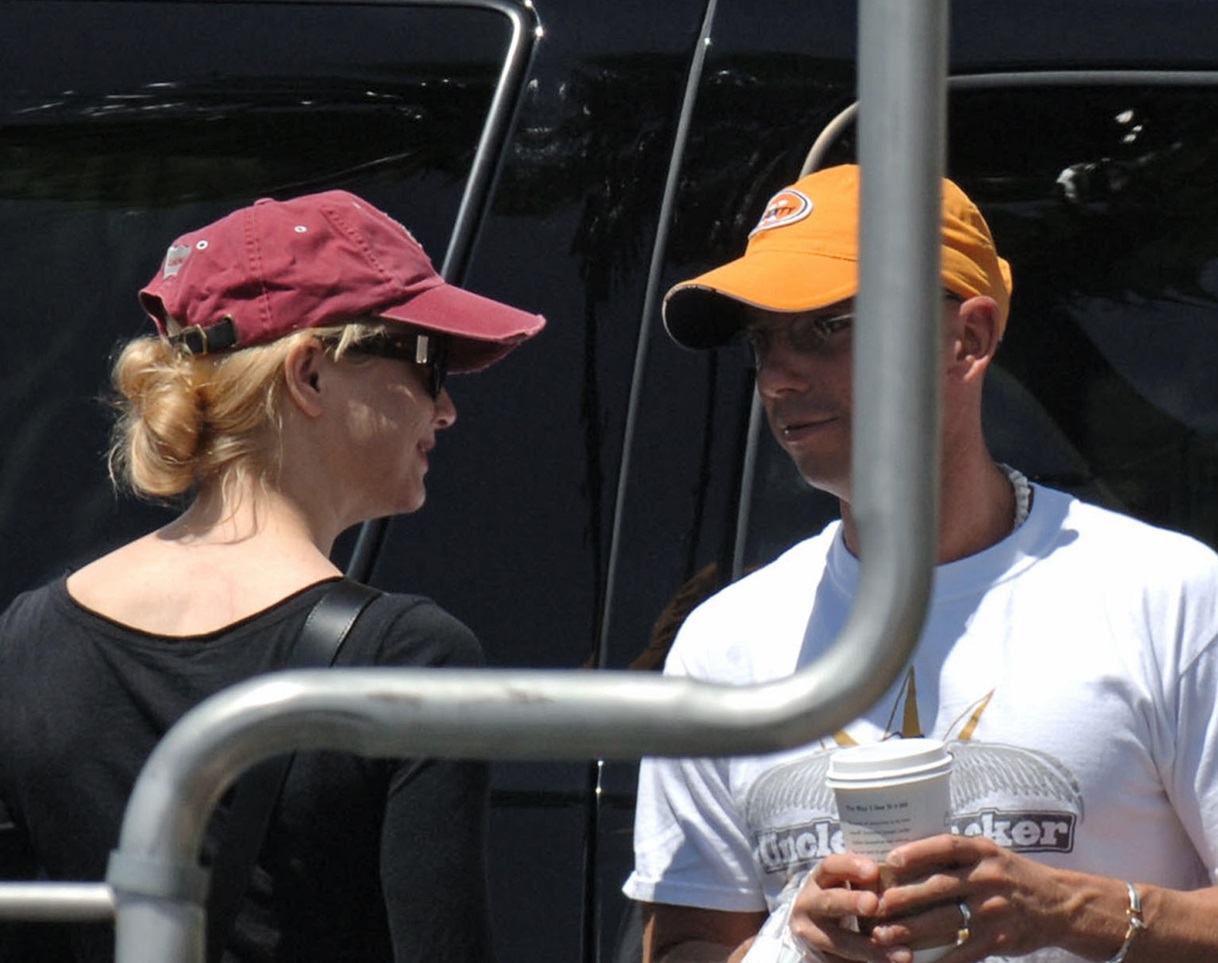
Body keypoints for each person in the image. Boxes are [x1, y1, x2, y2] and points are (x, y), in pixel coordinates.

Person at [622, 163, 1218, 963]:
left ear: (967, 338)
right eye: (762, 340)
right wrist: (795, 941)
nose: (776, 377)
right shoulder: (724, 641)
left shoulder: (1167, 595)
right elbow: (687, 944)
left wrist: (1069, 908)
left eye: (825, 327)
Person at [0, 189, 545, 962]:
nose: (448, 407)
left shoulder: (22, 644)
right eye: (428, 360)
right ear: (310, 373)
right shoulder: (408, 660)